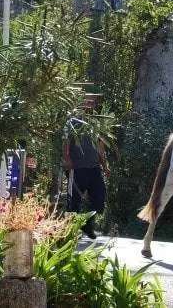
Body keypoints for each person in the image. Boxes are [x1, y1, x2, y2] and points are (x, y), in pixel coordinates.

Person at [63, 94, 111, 238]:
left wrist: (106, 165)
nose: (89, 105)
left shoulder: (96, 123)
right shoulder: (71, 122)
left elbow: (101, 147)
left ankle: (88, 226)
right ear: (80, 104)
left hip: (94, 168)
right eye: (86, 102)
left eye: (92, 102)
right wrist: (67, 160)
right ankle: (69, 231)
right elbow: (65, 143)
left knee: (99, 196)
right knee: (74, 201)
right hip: (77, 168)